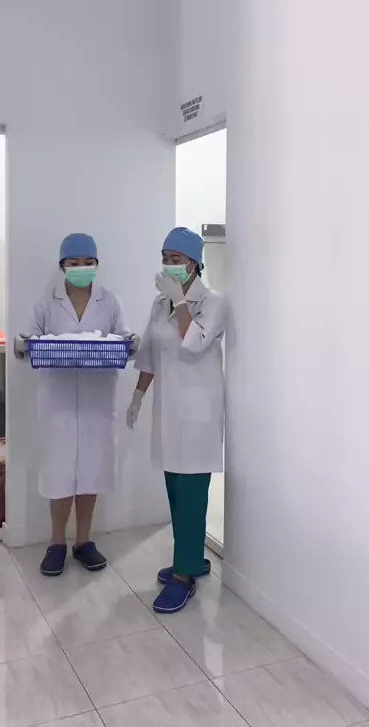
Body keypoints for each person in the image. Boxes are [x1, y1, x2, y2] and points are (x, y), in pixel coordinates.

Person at [15, 233, 136, 577]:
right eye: (74, 262)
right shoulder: (46, 303)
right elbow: (28, 339)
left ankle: (83, 541)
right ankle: (56, 543)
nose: (81, 268)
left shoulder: (110, 302)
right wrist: (21, 344)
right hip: (59, 402)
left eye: (88, 262)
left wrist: (131, 343)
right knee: (59, 472)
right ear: (62, 266)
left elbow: (124, 338)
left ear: (96, 264)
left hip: (97, 400)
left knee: (91, 473)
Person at [126, 227, 226, 613]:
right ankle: (191, 558)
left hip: (198, 416)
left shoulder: (213, 303)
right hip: (168, 412)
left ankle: (184, 577)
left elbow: (195, 342)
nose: (169, 265)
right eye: (165, 258)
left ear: (195, 264)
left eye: (177, 259)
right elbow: (151, 354)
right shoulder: (159, 303)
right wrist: (138, 395)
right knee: (175, 490)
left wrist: (181, 301)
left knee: (192, 494)